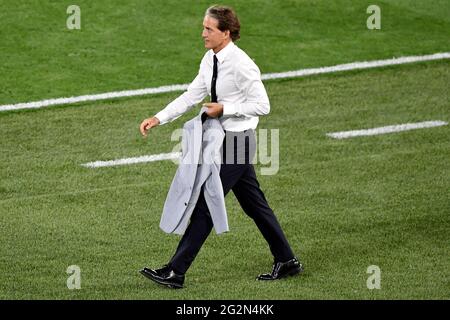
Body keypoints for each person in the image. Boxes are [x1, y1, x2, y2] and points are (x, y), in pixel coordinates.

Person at [139, 5, 303, 289]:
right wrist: (158, 118)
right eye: (204, 27)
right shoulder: (209, 58)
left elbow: (263, 105)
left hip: (237, 143)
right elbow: (193, 93)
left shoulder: (241, 64)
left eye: (208, 29)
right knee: (255, 205)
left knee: (205, 203)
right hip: (221, 140)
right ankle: (287, 260)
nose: (202, 33)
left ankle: (176, 271)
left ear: (225, 33)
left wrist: (226, 108)